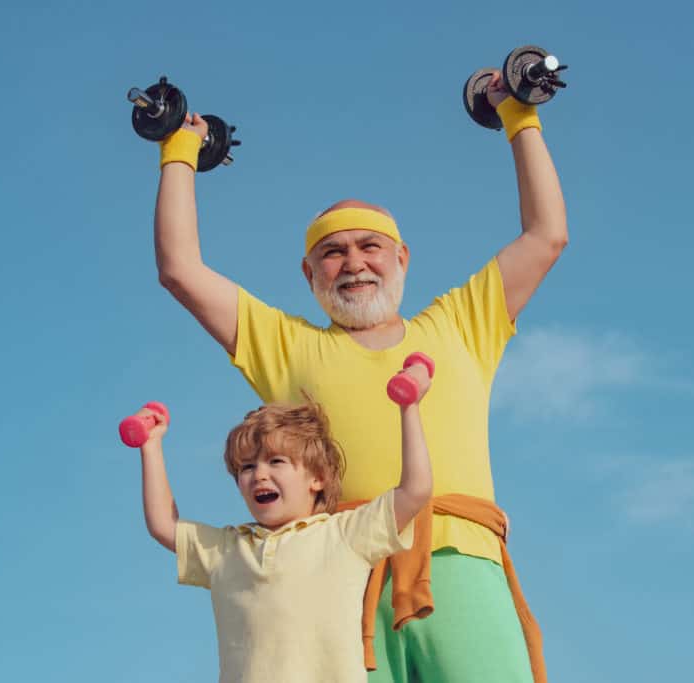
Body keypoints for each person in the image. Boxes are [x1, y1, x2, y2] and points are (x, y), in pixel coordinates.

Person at [151, 69, 566, 683]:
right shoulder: (287, 346)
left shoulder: (460, 323)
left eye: (370, 247)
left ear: (401, 258)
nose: (354, 263)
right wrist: (178, 152)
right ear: (309, 272)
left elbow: (546, 234)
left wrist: (518, 115)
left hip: (461, 558)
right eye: (333, 251)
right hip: (340, 578)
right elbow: (181, 269)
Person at [129, 359, 433, 683]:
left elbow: (415, 490)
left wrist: (409, 408)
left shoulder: (344, 535)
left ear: (317, 478)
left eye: (276, 461)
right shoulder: (227, 549)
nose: (259, 474)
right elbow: (163, 524)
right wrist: (151, 446)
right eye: (246, 468)